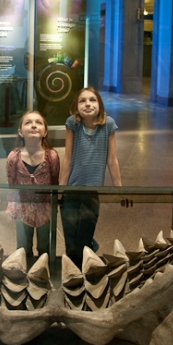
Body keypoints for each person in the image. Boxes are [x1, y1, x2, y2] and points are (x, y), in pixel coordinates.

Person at [59, 87, 122, 267]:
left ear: (99, 105)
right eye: (82, 100)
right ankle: (72, 272)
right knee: (70, 240)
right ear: (76, 107)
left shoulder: (108, 124)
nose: (88, 104)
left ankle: (83, 267)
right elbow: (68, 158)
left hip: (92, 191)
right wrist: (60, 190)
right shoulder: (73, 123)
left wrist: (121, 190)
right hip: (72, 190)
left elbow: (112, 160)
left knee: (85, 235)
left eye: (92, 100)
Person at [6, 111, 60, 258]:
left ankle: (43, 275)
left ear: (45, 131)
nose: (34, 126)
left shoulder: (52, 156)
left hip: (45, 209)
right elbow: (12, 183)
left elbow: (55, 181)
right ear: (20, 132)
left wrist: (54, 206)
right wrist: (12, 207)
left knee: (45, 248)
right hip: (22, 209)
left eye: (39, 122)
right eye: (28, 122)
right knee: (23, 248)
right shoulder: (13, 157)